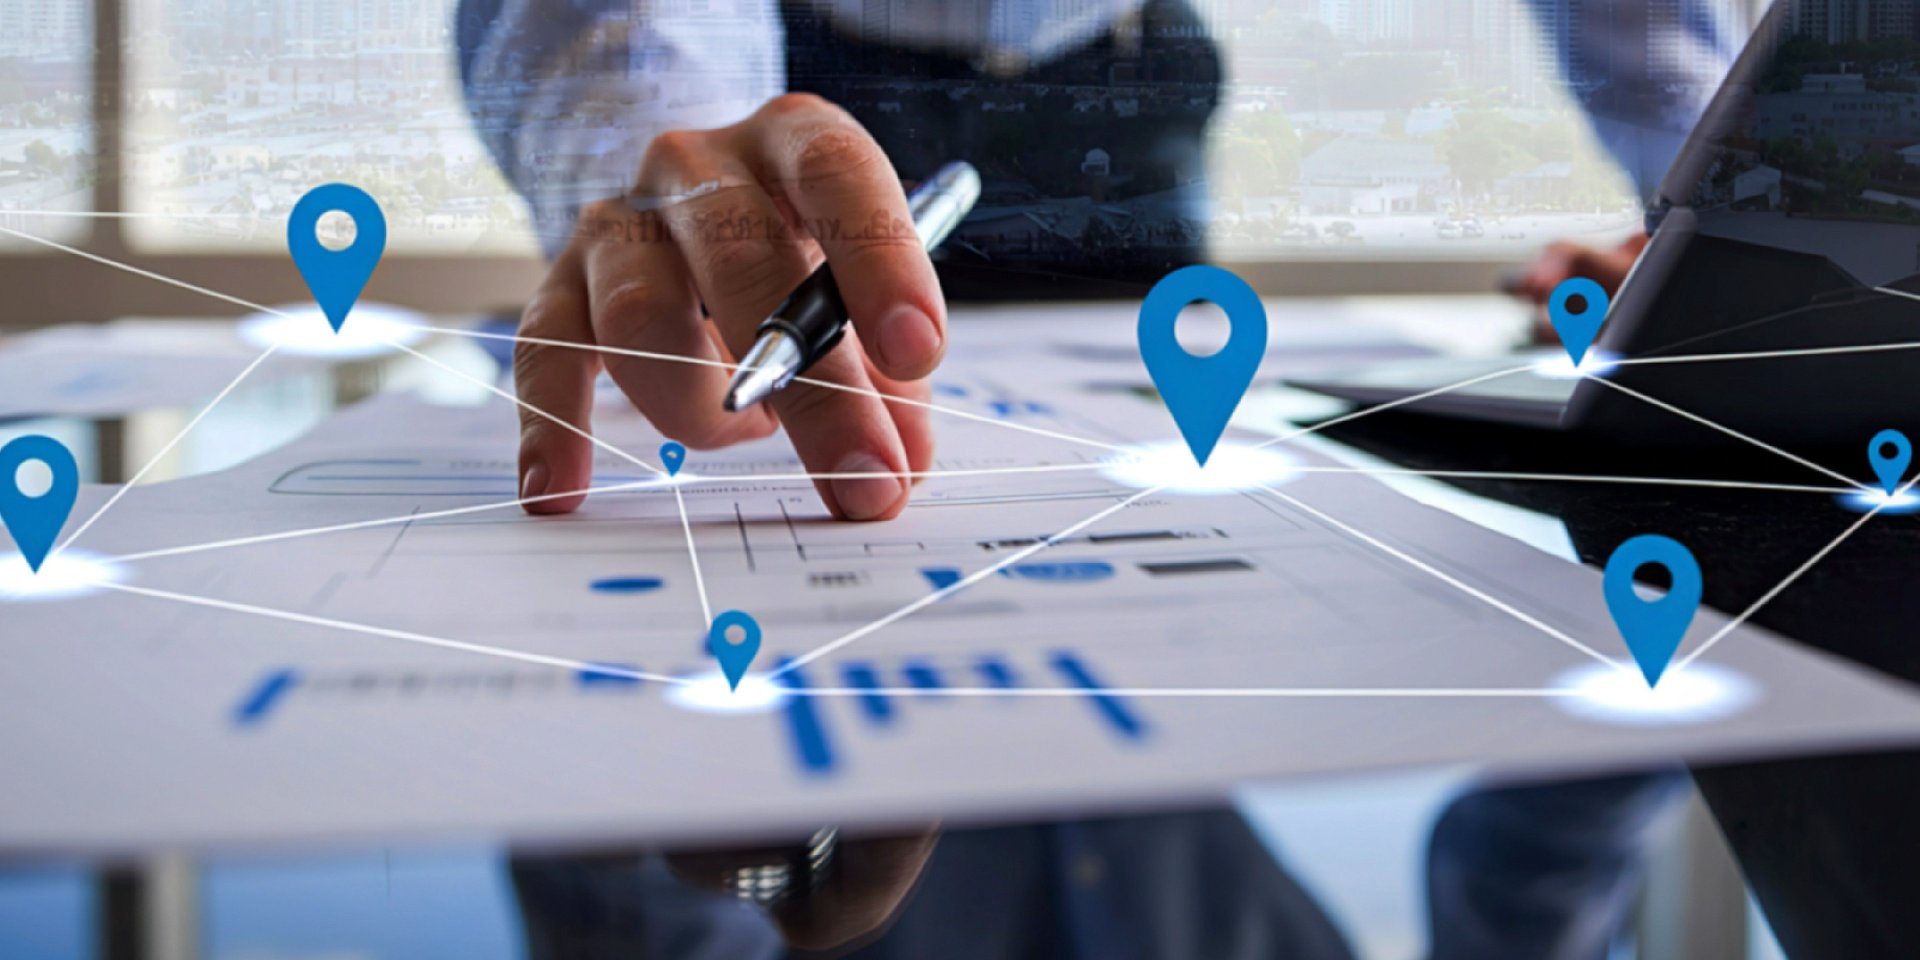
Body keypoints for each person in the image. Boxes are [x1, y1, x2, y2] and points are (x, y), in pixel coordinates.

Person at [457, 0, 1742, 956]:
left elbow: (628, 868)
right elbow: (1529, 888)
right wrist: (1737, 235)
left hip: (975, 107)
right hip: (886, 90)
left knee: (742, 413)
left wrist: (654, 161)